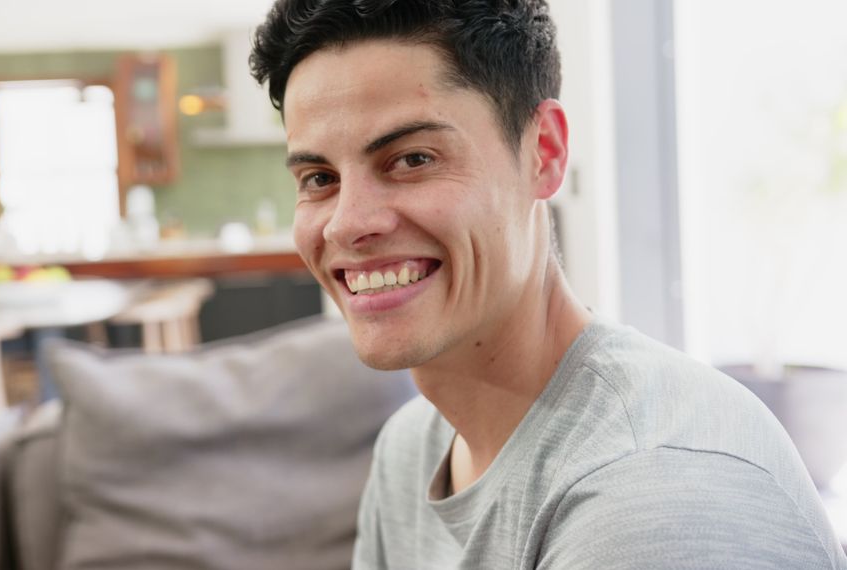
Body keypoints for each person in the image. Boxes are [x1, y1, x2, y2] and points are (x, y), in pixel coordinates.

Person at [249, 0, 847, 568]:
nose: (348, 224)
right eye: (319, 176)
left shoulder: (659, 494)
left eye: (412, 159)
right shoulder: (411, 448)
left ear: (545, 152)